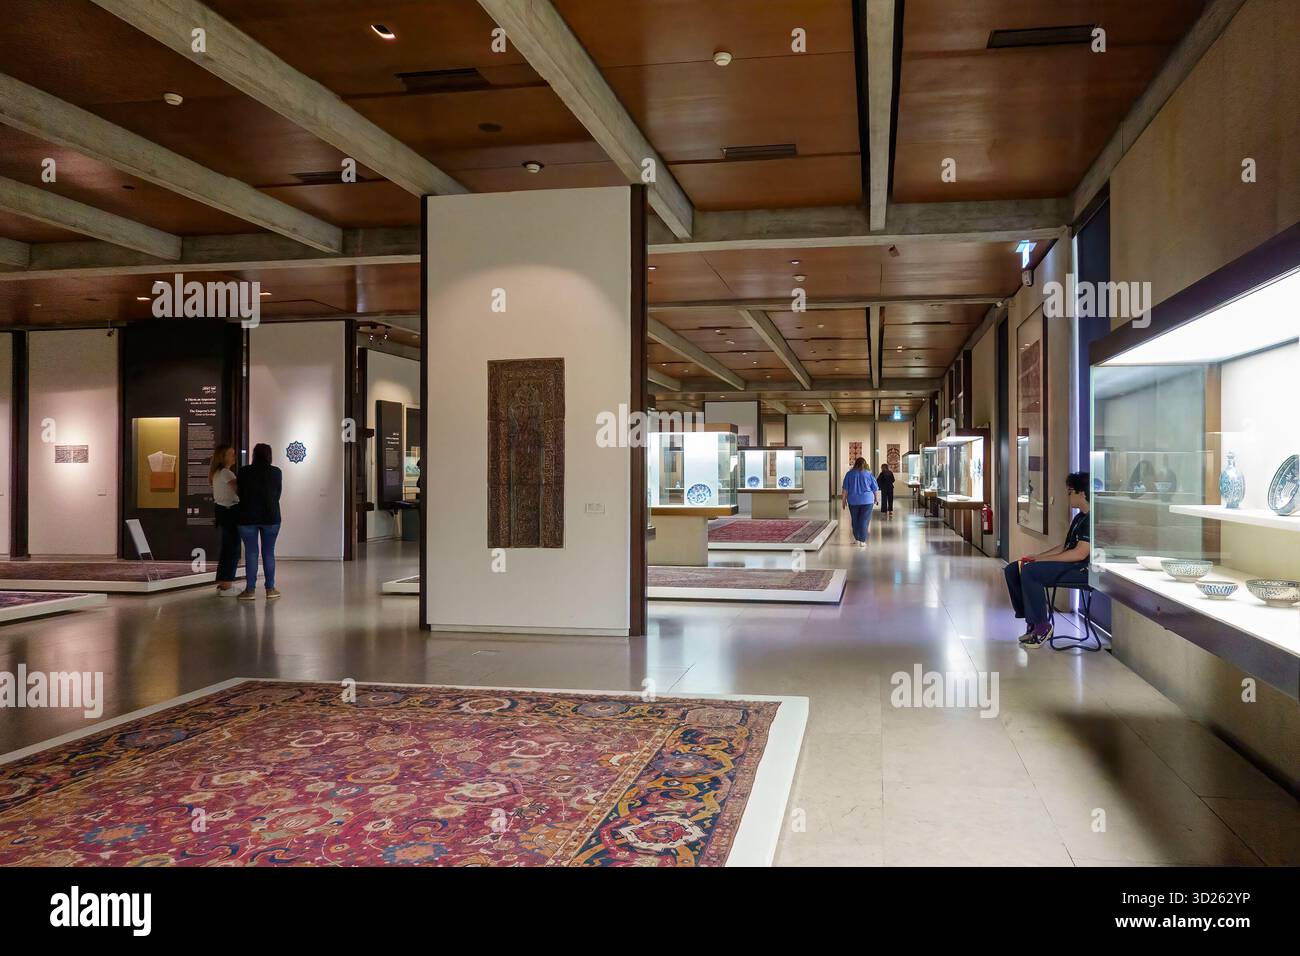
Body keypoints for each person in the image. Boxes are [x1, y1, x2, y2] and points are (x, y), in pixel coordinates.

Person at [1003, 472, 1091, 648]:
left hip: (1081, 570)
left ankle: (1042, 625)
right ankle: (1031, 621)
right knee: (1015, 568)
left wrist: (1040, 563)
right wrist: (1036, 558)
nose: (1068, 496)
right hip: (1069, 564)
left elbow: (1079, 554)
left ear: (1082, 493)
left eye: (1070, 492)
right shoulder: (1079, 517)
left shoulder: (1091, 520)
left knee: (1030, 572)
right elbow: (1065, 547)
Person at [236, 443, 283, 601]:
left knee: (251, 553)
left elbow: (240, 493)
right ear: (269, 455)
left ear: (254, 455)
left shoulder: (243, 472)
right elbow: (277, 494)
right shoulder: (276, 472)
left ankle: (250, 590)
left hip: (247, 517)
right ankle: (270, 589)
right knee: (268, 553)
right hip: (271, 517)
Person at [208, 444, 240, 593]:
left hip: (222, 512)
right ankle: (227, 584)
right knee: (232, 548)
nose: (234, 457)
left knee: (227, 547)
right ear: (223, 456)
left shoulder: (217, 473)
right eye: (231, 454)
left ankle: (223, 582)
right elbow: (239, 491)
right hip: (229, 512)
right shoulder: (226, 473)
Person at [841, 457, 879, 549]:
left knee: (855, 520)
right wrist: (876, 498)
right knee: (864, 520)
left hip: (853, 501)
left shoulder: (849, 474)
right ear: (865, 464)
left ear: (855, 464)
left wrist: (843, 500)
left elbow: (845, 489)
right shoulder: (868, 474)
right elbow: (874, 488)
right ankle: (862, 540)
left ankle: (857, 538)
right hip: (867, 500)